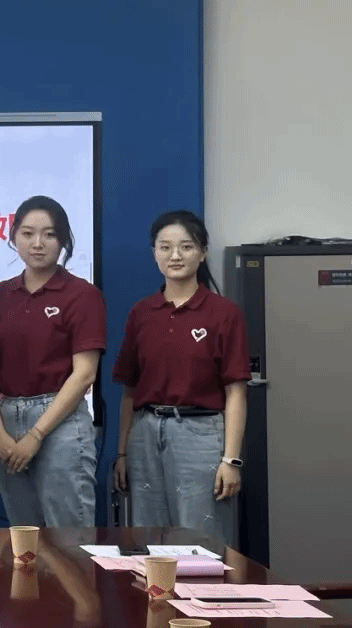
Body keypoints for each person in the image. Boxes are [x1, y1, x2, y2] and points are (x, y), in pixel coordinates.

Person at [0, 195, 105, 528]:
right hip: (7, 423)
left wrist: (36, 434)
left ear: (64, 240)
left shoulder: (82, 295)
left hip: (61, 422)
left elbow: (85, 374)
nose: (38, 243)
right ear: (13, 237)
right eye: (28, 233)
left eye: (49, 234)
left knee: (69, 537)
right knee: (24, 537)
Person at [113, 210, 248, 541]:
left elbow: (236, 393)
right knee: (147, 537)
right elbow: (130, 391)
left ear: (202, 252)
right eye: (165, 247)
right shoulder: (141, 313)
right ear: (154, 253)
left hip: (200, 434)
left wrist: (231, 460)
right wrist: (122, 453)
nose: (175, 256)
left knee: (201, 540)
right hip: (145, 434)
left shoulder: (223, 313)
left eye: (186, 247)